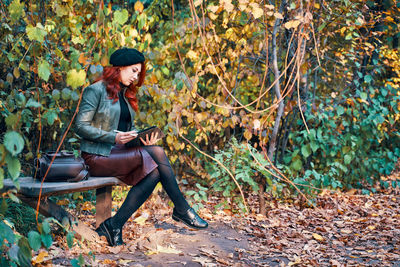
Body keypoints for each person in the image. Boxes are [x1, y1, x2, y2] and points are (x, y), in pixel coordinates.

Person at [75, 48, 208, 247]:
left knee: (154, 172)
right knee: (157, 153)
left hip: (117, 153)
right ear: (119, 68)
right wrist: (114, 137)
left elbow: (125, 129)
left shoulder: (125, 95)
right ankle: (182, 209)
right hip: (96, 156)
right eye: (134, 71)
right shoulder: (95, 90)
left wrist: (139, 138)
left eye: (139, 72)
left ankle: (115, 224)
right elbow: (80, 126)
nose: (136, 76)